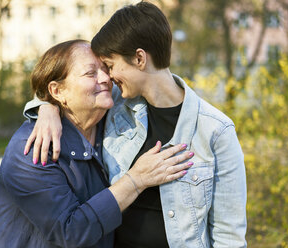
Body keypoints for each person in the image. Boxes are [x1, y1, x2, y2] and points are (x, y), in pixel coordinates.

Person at [24, 2, 247, 247]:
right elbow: (71, 92)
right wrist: (47, 108)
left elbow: (229, 236)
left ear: (139, 58)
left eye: (109, 66)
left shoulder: (216, 131)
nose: (107, 77)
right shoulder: (116, 107)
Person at [0, 39, 194, 248]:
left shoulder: (109, 120)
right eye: (90, 73)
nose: (105, 78)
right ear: (58, 92)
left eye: (105, 69)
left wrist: (45, 106)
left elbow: (150, 83)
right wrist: (136, 179)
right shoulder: (31, 147)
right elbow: (70, 231)